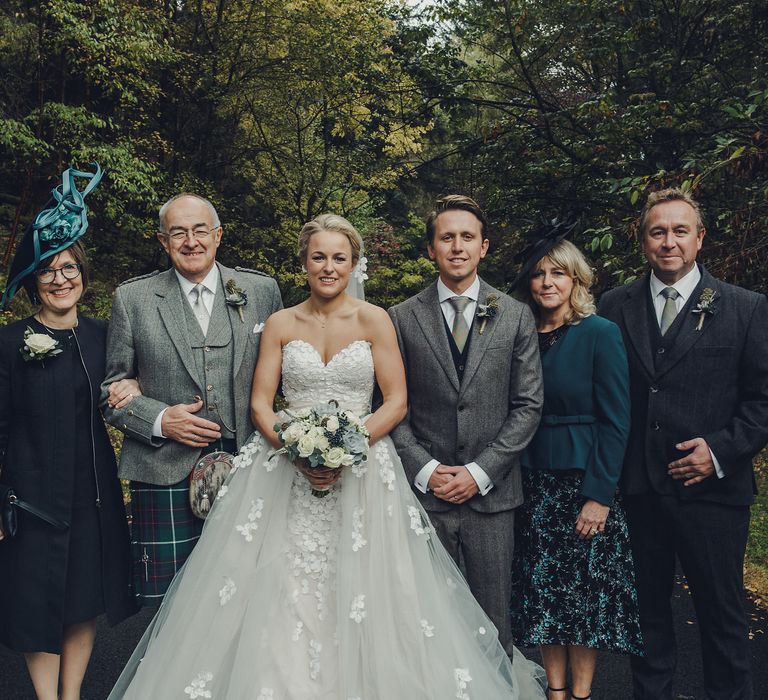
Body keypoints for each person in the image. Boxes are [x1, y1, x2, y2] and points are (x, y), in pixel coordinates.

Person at [108, 213, 547, 699]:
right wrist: (297, 448)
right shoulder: (280, 322)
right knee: (280, 591)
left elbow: (396, 400)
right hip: (286, 475)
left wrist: (344, 449)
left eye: (339, 257)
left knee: (372, 590)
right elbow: (260, 404)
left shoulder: (376, 319)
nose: (329, 266)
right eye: (319, 257)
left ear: (354, 263)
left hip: (362, 471)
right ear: (304, 263)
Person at [600, 188, 768, 700]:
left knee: (722, 621)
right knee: (648, 623)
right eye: (657, 231)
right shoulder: (613, 305)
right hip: (639, 492)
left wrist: (718, 451)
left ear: (699, 238)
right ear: (642, 240)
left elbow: (762, 400)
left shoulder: (746, 307)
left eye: (679, 231)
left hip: (714, 496)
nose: (668, 241)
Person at [100, 193, 283, 606]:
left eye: (201, 230)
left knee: (251, 595)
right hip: (164, 469)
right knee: (170, 605)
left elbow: (287, 374)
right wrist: (161, 419)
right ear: (163, 242)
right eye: (178, 232)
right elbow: (110, 395)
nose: (191, 241)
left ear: (218, 236)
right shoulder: (133, 299)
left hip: (251, 464)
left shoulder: (261, 291)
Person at [0, 165, 136, 700]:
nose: (61, 279)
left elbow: (128, 390)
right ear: (34, 281)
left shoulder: (105, 336)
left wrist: (135, 394)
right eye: (48, 271)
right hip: (28, 496)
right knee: (38, 602)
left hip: (92, 492)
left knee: (82, 600)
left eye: (69, 268)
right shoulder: (10, 342)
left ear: (84, 274)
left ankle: (72, 695)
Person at [388, 194, 543, 655]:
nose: (457, 246)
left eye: (467, 237)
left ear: (484, 247)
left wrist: (479, 473)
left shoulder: (515, 314)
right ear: (431, 249)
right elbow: (391, 406)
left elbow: (528, 405)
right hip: (424, 496)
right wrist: (427, 469)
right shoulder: (399, 317)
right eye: (447, 237)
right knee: (426, 620)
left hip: (492, 498)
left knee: (493, 624)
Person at [509, 235, 642, 700]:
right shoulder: (517, 331)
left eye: (558, 273)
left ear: (576, 279)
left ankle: (582, 695)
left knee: (585, 601)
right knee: (544, 595)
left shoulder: (600, 333)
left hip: (584, 486)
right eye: (540, 273)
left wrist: (600, 495)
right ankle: (556, 692)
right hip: (531, 482)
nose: (548, 282)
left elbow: (617, 419)